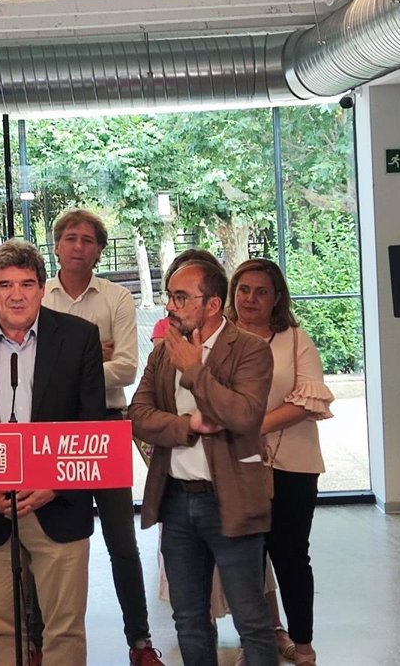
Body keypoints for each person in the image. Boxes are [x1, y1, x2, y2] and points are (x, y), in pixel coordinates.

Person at [0, 240, 106, 666]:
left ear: (42, 288)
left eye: (27, 284)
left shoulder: (79, 338)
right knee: (0, 629)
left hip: (58, 504)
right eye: (6, 285)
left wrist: (55, 484)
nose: (17, 295)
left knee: (64, 628)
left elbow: (90, 425)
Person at [129, 261, 277, 666]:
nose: (169, 306)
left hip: (231, 498)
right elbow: (137, 415)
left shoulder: (250, 349)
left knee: (251, 620)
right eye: (169, 296)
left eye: (181, 297)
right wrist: (187, 425)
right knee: (189, 620)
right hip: (177, 501)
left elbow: (244, 416)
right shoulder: (164, 351)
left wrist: (194, 371)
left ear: (212, 304)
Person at [41, 209, 161, 664]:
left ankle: (140, 642)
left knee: (121, 542)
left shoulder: (117, 298)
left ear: (99, 250)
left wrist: (64, 366)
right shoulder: (38, 294)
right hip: (51, 431)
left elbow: (127, 368)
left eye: (88, 239)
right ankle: (39, 641)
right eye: (70, 238)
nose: (78, 246)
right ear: (56, 246)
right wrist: (93, 356)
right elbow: (30, 367)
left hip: (106, 425)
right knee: (48, 541)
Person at [227, 259, 334, 666]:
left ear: (276, 299)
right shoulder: (219, 339)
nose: (250, 299)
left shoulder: (295, 340)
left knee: (291, 557)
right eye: (243, 290)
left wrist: (254, 426)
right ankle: (254, 641)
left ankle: (303, 644)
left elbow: (309, 400)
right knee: (246, 561)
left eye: (261, 292)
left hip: (294, 465)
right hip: (236, 465)